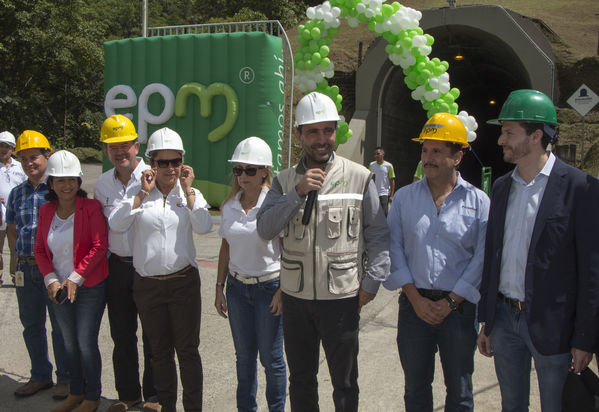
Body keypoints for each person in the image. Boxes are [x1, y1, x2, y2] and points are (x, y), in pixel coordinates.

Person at [257, 91, 390, 412]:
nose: (321, 139)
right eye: (313, 131)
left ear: (336, 132)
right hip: (296, 299)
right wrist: (297, 192)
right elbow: (265, 229)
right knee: (301, 379)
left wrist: (371, 284)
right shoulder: (284, 181)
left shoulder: (359, 177)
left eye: (327, 130)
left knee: (345, 383)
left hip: (342, 300)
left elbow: (379, 235)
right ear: (300, 134)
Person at [477, 89, 599, 411]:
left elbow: (592, 271)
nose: (501, 140)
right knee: (511, 406)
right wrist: (487, 321)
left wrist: (584, 338)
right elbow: (493, 258)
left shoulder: (580, 189)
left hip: (554, 327)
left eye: (508, 132)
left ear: (535, 136)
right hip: (504, 321)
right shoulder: (502, 188)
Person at [383, 113, 490, 412]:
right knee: (415, 389)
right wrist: (415, 298)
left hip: (459, 312)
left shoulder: (479, 202)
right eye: (425, 150)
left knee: (460, 391)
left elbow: (482, 256)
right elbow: (394, 247)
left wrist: (452, 301)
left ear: (457, 156)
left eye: (437, 151)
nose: (427, 158)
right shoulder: (404, 199)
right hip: (414, 308)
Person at [109, 127, 213, 412]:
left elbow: (205, 226)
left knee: (188, 352)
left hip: (183, 284)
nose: (169, 168)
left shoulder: (190, 193)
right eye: (161, 162)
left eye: (175, 162)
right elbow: (116, 224)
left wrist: (189, 191)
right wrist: (142, 193)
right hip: (148, 286)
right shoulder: (139, 193)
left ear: (183, 163)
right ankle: (167, 406)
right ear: (151, 164)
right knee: (160, 353)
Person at [215, 136, 286, 412]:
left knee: (271, 359)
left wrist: (283, 291)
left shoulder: (275, 204)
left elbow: (289, 250)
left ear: (265, 171)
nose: (243, 176)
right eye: (238, 170)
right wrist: (219, 286)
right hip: (236, 290)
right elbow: (225, 245)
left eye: (250, 170)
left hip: (269, 289)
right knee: (244, 358)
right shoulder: (229, 205)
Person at [34, 150, 108, 412]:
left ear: (78, 182)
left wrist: (75, 278)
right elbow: (40, 250)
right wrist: (52, 280)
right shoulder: (45, 211)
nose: (67, 185)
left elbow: (100, 247)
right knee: (68, 342)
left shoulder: (90, 208)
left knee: (85, 341)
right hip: (58, 289)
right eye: (60, 180)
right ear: (51, 184)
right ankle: (75, 392)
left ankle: (92, 395)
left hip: (89, 287)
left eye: (71, 180)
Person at [93, 115, 158, 412]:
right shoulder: (103, 184)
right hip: (117, 266)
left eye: (125, 145)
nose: (120, 152)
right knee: (121, 335)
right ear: (106, 151)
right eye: (112, 147)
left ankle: (154, 397)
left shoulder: (153, 175)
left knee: (153, 335)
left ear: (136, 145)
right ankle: (128, 395)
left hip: (148, 267)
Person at [6, 130, 70, 399]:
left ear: (47, 155)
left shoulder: (59, 189)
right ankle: (40, 375)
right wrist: (13, 259)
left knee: (60, 326)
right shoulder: (17, 193)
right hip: (25, 268)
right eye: (23, 159)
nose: (29, 163)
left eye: (34, 157)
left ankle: (66, 379)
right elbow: (12, 228)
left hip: (53, 269)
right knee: (31, 324)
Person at [0, 131, 27, 285]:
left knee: (16, 247)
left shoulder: (20, 166)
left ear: (12, 149)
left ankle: (15, 276)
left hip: (16, 214)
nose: (3, 149)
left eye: (7, 146)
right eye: (1, 146)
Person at [369, 146, 395, 215]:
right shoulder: (371, 165)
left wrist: (392, 195)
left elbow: (391, 181)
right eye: (375, 154)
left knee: (384, 213)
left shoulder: (389, 166)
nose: (376, 156)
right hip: (374, 193)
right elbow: (369, 179)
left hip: (384, 193)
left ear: (383, 154)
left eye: (378, 154)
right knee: (374, 212)